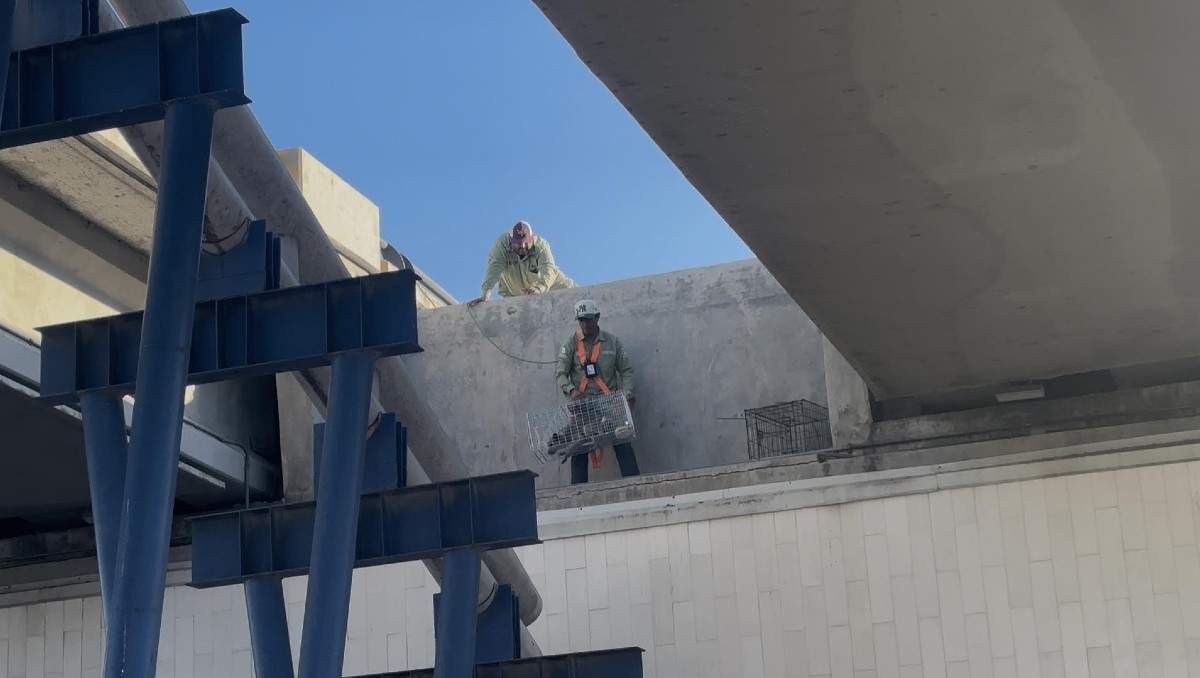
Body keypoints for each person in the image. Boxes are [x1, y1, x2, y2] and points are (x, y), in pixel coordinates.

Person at [554, 299, 640, 484]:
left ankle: (635, 486)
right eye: (581, 320)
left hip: (610, 402)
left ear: (598, 318)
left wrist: (625, 395)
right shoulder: (571, 343)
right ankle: (578, 495)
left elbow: (626, 371)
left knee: (622, 440)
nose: (585, 324)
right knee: (579, 449)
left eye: (589, 319)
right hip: (583, 405)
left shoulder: (612, 342)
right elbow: (560, 374)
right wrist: (572, 391)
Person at [468, 221, 575, 305]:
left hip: (548, 286)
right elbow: (493, 269)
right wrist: (485, 294)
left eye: (525, 242)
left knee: (578, 296)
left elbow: (547, 267)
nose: (522, 246)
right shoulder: (500, 246)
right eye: (518, 243)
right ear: (510, 240)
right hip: (514, 293)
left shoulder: (541, 245)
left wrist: (539, 288)